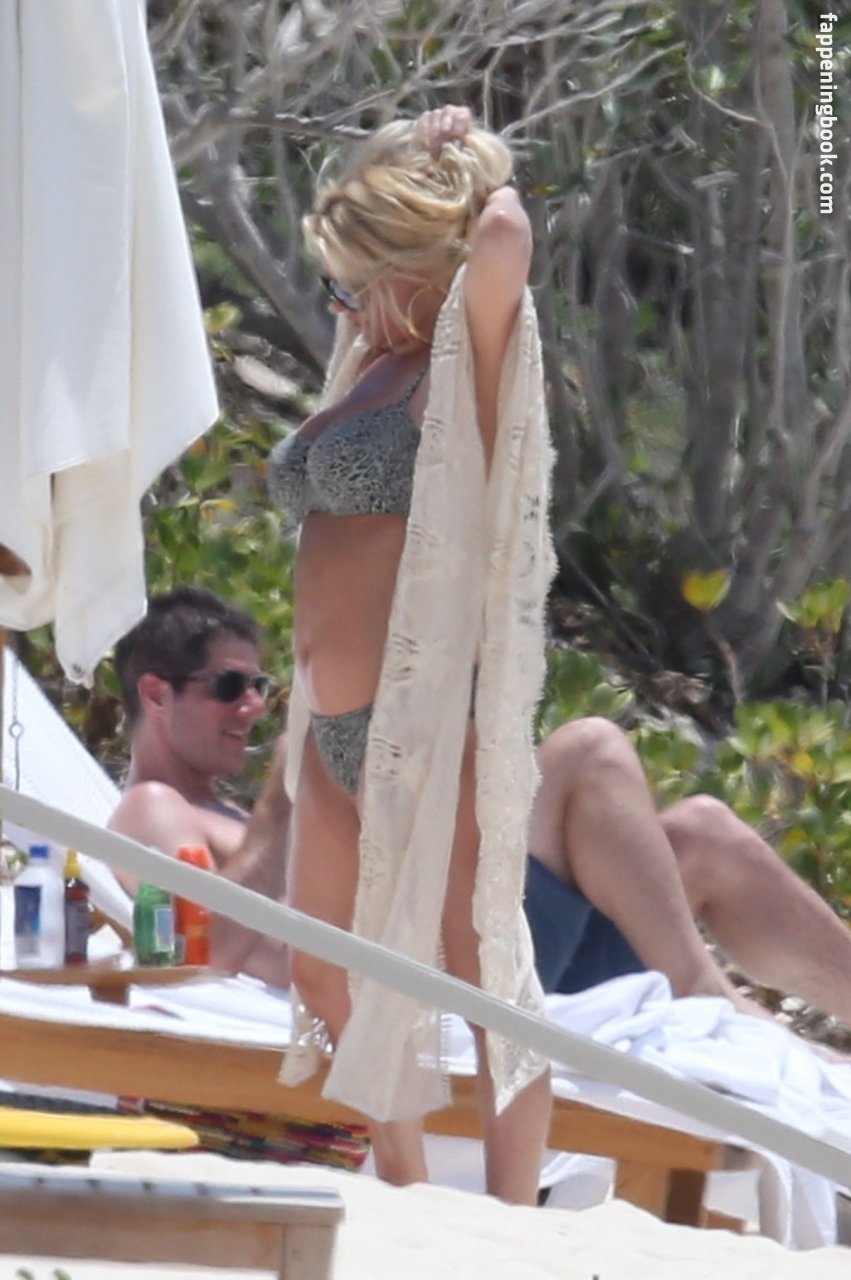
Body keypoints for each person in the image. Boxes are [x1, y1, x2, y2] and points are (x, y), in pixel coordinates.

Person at [267, 104, 555, 1202]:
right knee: (322, 968)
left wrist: (461, 154)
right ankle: (410, 1194)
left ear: (410, 275)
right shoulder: (370, 366)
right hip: (331, 723)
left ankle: (512, 1215)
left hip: (431, 715)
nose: (341, 308)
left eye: (353, 285)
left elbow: (505, 236)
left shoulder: (463, 364)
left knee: (482, 966)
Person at [107, 586, 291, 987]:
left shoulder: (228, 814)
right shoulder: (151, 806)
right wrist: (284, 797)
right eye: (229, 686)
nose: (256, 706)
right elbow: (208, 951)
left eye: (258, 686)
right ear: (157, 695)